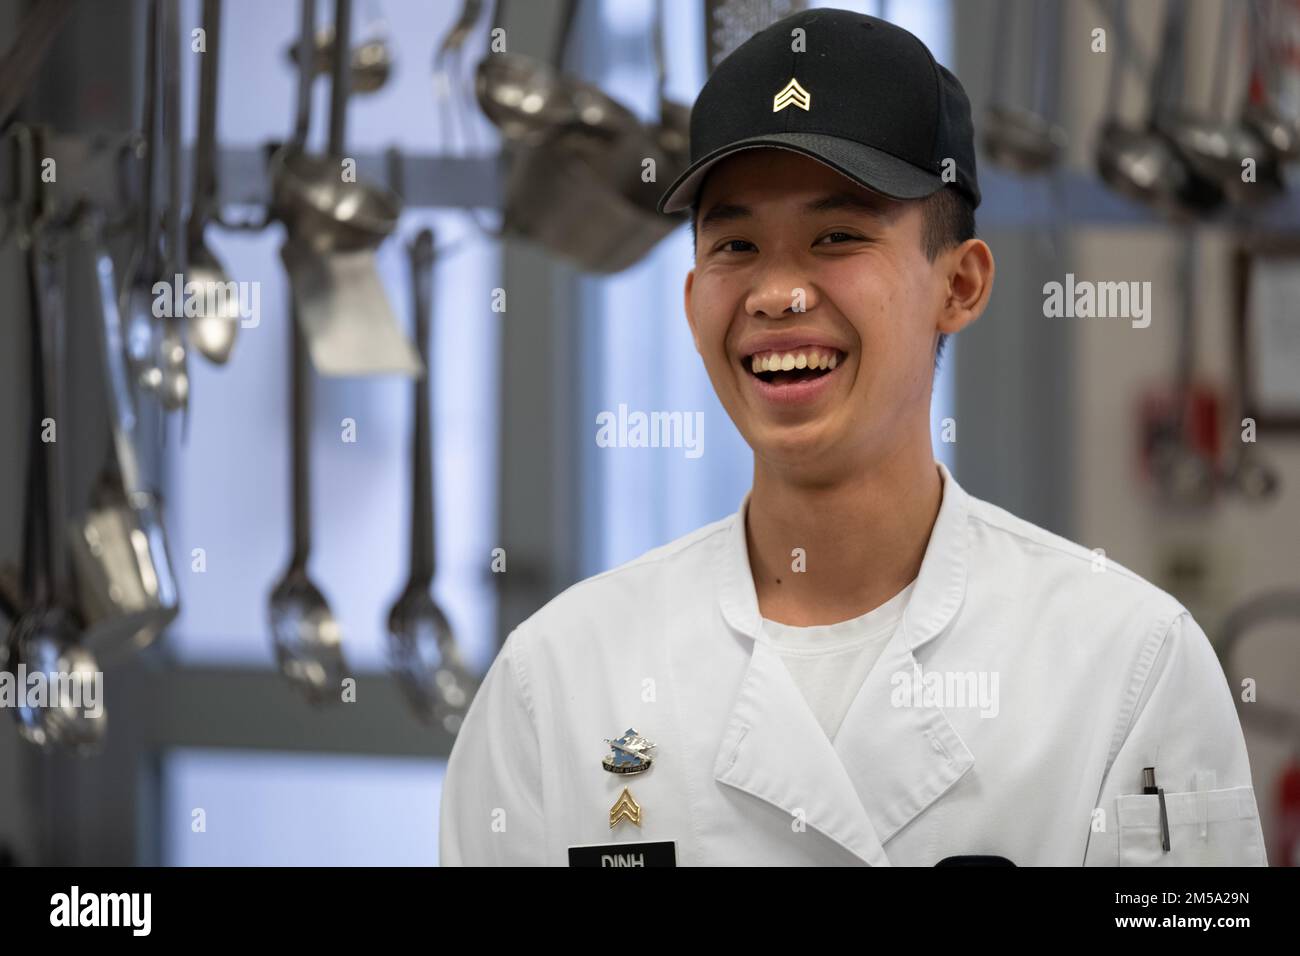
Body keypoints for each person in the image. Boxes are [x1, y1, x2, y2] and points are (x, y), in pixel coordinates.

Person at [440, 7, 1265, 866]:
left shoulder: (1127, 666)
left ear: (961, 284)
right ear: (691, 304)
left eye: (838, 236)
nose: (778, 294)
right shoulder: (560, 679)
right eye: (737, 245)